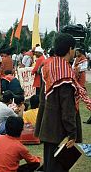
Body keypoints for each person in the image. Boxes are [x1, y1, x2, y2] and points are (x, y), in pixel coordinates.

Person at [35, 33, 86, 172]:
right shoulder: (64, 72)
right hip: (60, 129)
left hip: (48, 126)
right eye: (74, 48)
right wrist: (72, 132)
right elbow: (67, 106)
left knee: (50, 164)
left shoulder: (48, 65)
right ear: (70, 49)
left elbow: (42, 97)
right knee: (59, 166)